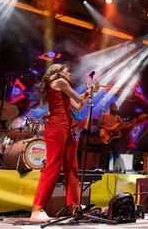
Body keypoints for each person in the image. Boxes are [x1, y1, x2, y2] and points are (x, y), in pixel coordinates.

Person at [30, 64, 95, 222]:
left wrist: (90, 93)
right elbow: (79, 98)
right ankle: (37, 209)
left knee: (72, 167)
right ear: (58, 72)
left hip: (66, 127)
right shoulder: (59, 82)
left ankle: (74, 206)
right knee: (53, 165)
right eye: (66, 70)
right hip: (57, 127)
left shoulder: (63, 88)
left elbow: (79, 106)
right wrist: (90, 90)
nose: (69, 73)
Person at [98, 102, 125, 171]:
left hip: (115, 139)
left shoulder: (118, 118)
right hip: (106, 138)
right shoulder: (104, 115)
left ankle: (116, 171)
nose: (116, 108)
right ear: (111, 107)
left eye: (116, 107)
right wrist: (106, 128)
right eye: (114, 107)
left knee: (116, 156)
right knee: (104, 155)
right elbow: (99, 124)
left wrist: (119, 131)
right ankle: (102, 170)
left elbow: (123, 127)